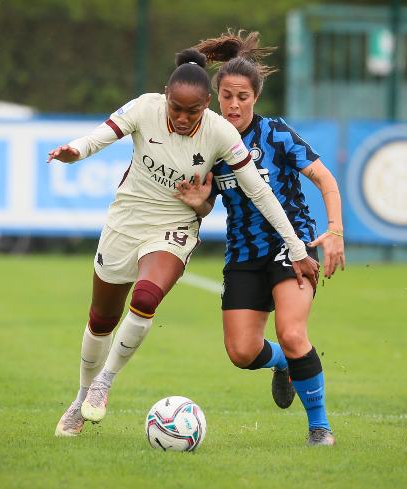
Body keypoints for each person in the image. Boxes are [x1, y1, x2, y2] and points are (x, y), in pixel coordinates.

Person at [49, 47, 320, 437]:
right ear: (165, 96)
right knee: (101, 319)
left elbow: (261, 192)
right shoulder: (145, 108)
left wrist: (297, 247)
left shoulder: (221, 133)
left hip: (173, 228)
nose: (181, 117)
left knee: (145, 298)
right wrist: (74, 151)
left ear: (206, 106)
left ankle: (104, 384)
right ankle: (81, 397)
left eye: (192, 112)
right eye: (175, 108)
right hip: (126, 222)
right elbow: (99, 136)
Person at [175, 30, 345, 446]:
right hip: (245, 254)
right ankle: (286, 364)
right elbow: (207, 204)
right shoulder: (211, 144)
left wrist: (335, 232)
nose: (234, 105)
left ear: (256, 99)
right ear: (216, 96)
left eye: (243, 97)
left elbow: (325, 179)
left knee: (291, 331)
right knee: (242, 352)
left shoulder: (276, 135)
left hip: (294, 248)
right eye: (227, 96)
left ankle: (319, 428)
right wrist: (199, 202)